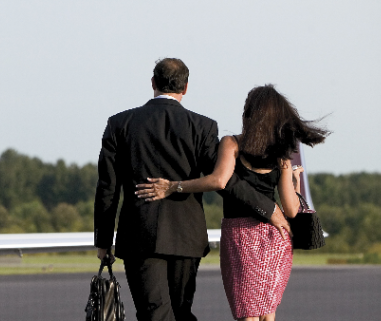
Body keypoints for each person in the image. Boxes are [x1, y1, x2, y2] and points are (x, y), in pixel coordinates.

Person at [93, 58, 283, 321]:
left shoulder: (119, 124)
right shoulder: (203, 127)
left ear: (153, 83)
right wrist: (268, 208)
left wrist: (103, 240)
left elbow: (107, 187)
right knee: (181, 313)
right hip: (186, 237)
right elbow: (224, 180)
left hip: (139, 236)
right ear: (185, 88)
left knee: (154, 313)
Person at [135, 84, 328, 321]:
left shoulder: (232, 143)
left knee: (247, 312)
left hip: (240, 236)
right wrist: (294, 183)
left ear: (248, 113)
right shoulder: (282, 154)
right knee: (268, 314)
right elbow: (290, 209)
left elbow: (218, 181)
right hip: (275, 237)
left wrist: (174, 186)